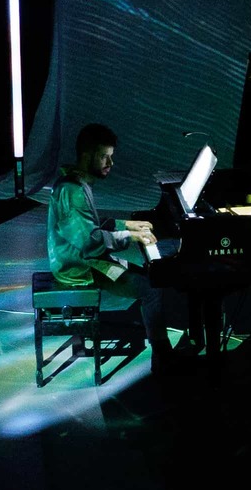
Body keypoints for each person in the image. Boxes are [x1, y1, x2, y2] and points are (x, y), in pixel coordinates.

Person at [47, 123, 179, 366]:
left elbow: (90, 226)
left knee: (148, 274)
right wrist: (130, 236)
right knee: (151, 287)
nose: (110, 163)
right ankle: (163, 358)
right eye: (104, 157)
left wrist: (127, 224)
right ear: (87, 156)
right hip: (80, 267)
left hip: (85, 258)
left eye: (110, 156)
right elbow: (91, 243)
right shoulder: (73, 191)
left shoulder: (76, 182)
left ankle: (159, 344)